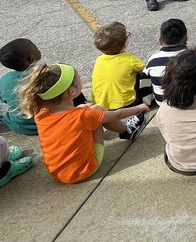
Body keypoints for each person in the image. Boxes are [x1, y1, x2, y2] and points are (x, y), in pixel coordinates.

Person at [19, 62, 149, 184]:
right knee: (97, 112)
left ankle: (120, 128)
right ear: (72, 92)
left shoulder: (41, 114)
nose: (81, 80)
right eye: (79, 79)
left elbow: (66, 119)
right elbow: (118, 114)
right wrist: (139, 108)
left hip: (56, 173)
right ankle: (128, 131)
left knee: (89, 112)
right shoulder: (83, 116)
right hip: (84, 170)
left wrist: (80, 109)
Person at [91, 22, 145, 117]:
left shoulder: (99, 60)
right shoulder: (130, 59)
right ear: (125, 43)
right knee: (139, 74)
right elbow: (146, 71)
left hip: (102, 106)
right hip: (126, 105)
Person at [0, 38, 43, 135]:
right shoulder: (45, 75)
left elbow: (3, 99)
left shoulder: (5, 80)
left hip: (20, 126)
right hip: (45, 124)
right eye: (35, 46)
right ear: (31, 59)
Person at [143, 19, 190, 105]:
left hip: (163, 105)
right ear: (186, 39)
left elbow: (144, 84)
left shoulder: (153, 61)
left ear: (159, 40)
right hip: (191, 104)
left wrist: (147, 102)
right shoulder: (194, 58)